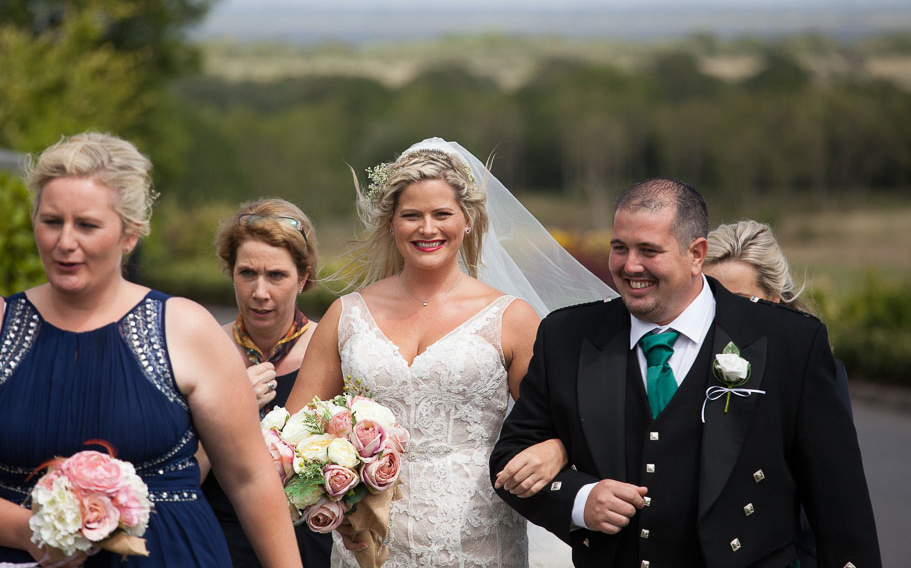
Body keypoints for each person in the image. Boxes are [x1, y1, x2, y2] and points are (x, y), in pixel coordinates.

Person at [0, 132, 300, 567]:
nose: (64, 242)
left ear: (130, 235)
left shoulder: (184, 328)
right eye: (52, 221)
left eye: (87, 225)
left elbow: (249, 478)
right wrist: (27, 530)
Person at [491, 178, 881, 568]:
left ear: (696, 254)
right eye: (619, 248)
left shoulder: (787, 342)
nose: (630, 266)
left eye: (648, 251)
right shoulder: (568, 336)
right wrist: (580, 500)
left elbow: (839, 502)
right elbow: (509, 458)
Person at [287, 138, 615, 567]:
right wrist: (329, 501)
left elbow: (565, 423)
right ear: (391, 222)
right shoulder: (345, 315)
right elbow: (293, 438)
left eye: (442, 214)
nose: (427, 229)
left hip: (476, 541)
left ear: (467, 221)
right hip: (366, 546)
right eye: (411, 215)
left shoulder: (510, 318)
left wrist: (556, 449)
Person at [704, 218, 854, 567]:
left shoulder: (816, 374)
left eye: (740, 301)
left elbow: (831, 490)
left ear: (773, 300)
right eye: (711, 299)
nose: (724, 315)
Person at [199, 198, 331, 567]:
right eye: (247, 273)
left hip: (307, 542)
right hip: (220, 542)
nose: (260, 292)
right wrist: (228, 407)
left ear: (303, 277)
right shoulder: (201, 349)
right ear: (230, 271)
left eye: (276, 275)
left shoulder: (332, 351)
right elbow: (181, 474)